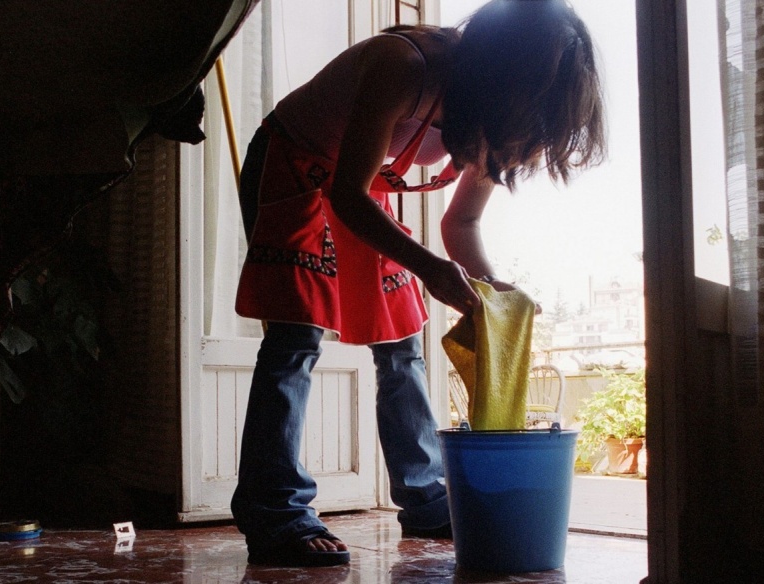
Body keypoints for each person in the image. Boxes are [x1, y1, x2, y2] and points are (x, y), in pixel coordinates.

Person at [230, 0, 605, 567]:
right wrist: (431, 268)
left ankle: (427, 498)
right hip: (294, 165)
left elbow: (463, 223)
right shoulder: (403, 67)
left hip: (359, 189)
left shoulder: (489, 120)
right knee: (295, 338)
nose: (523, 139)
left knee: (401, 342)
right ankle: (274, 510)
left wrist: (491, 290)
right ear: (502, 80)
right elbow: (347, 197)